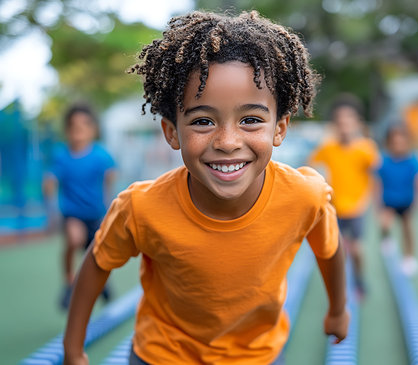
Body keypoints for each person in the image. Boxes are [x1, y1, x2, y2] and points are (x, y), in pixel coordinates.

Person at [63, 11, 349, 365]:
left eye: (251, 120)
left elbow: (330, 249)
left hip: (257, 355)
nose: (228, 142)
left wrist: (338, 309)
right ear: (172, 132)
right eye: (202, 121)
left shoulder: (305, 195)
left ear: (280, 127)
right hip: (161, 355)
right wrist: (73, 349)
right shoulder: (141, 207)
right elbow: (96, 264)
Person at [43, 103, 116, 309]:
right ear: (67, 130)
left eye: (84, 126)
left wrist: (108, 207)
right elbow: (50, 180)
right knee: (75, 240)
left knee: (98, 254)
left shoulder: (101, 155)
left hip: (95, 213)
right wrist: (51, 210)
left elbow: (110, 177)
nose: (78, 131)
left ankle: (102, 283)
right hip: (72, 213)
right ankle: (68, 282)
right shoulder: (61, 155)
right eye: (73, 126)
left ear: (93, 129)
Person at [308, 95, 379, 299]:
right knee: (336, 251)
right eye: (340, 121)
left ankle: (359, 279)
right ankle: (339, 287)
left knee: (356, 250)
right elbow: (309, 165)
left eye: (349, 119)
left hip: (356, 208)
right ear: (335, 125)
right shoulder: (328, 147)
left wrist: (372, 201)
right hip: (334, 208)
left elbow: (376, 174)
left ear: (357, 122)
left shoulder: (366, 148)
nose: (344, 124)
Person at [376, 124, 418, 276]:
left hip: (406, 201)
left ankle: (409, 258)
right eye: (394, 142)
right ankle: (387, 239)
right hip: (389, 201)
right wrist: (377, 203)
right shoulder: (384, 160)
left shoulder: (413, 160)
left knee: (407, 228)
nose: (398, 145)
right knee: (384, 224)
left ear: (407, 142)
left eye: (401, 142)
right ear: (389, 143)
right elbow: (377, 182)